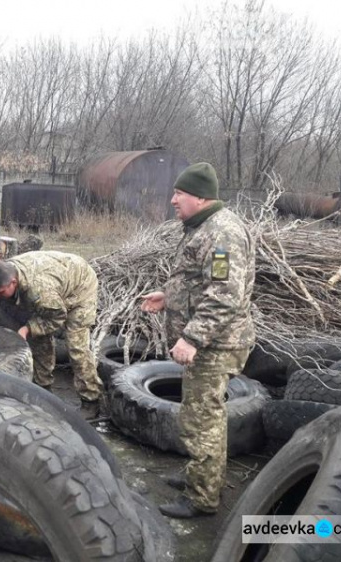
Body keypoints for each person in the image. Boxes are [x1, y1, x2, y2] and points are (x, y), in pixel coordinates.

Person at [140, 162, 255, 519]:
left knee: (201, 420)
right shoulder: (202, 227)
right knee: (203, 414)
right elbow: (199, 282)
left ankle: (202, 498)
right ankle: (199, 475)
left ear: (201, 197)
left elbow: (224, 294)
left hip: (214, 345)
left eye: (180, 194)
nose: (173, 200)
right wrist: (168, 297)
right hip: (211, 340)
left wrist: (191, 338)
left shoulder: (222, 233)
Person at [0, 251, 103, 419]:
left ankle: (91, 400)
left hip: (80, 285)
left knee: (76, 346)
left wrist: (27, 328)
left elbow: (57, 317)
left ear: (13, 282)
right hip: (55, 279)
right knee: (39, 338)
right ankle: (43, 386)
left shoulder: (39, 290)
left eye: (0, 293)